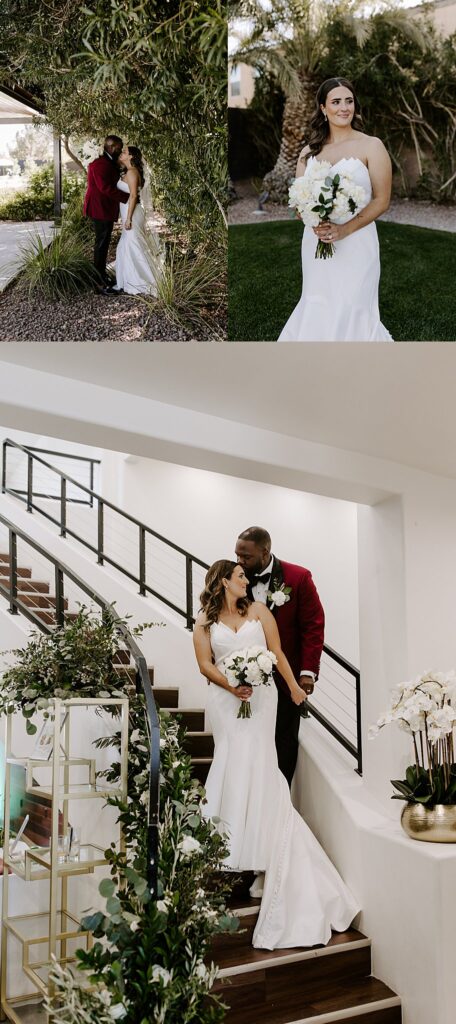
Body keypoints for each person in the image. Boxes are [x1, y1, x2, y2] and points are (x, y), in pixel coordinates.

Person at [193, 560, 359, 950]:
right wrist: (231, 685)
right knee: (231, 762)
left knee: (261, 765)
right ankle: (228, 848)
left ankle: (267, 851)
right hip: (226, 701)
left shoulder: (260, 611)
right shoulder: (203, 622)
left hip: (262, 700)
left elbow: (278, 653)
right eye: (239, 576)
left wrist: (294, 688)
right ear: (222, 581)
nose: (245, 580)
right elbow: (204, 664)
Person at [277, 77, 393, 342]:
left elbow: (382, 200)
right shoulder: (309, 152)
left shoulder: (371, 146)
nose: (344, 108)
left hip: (357, 242)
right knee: (319, 302)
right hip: (316, 239)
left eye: (349, 101)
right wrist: (310, 215)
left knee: (354, 305)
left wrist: (344, 229)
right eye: (336, 102)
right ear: (323, 108)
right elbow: (299, 201)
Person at [235, 526, 324, 786]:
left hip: (286, 679)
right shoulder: (237, 578)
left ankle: (280, 800)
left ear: (265, 552)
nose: (240, 561)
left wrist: (307, 672)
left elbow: (313, 626)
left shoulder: (298, 577)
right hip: (246, 682)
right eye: (237, 555)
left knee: (284, 742)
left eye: (246, 557)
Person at [83, 135, 128, 294]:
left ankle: (101, 275)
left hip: (104, 207)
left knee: (103, 243)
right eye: (119, 147)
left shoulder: (108, 161)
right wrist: (128, 198)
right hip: (99, 208)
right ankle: (98, 283)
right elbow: (105, 188)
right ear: (111, 146)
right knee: (101, 245)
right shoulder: (100, 163)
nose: (121, 150)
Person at [113, 145, 161, 296]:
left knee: (134, 246)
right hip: (129, 212)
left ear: (131, 156)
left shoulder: (132, 172)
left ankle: (144, 282)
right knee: (125, 247)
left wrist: (128, 218)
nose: (122, 153)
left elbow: (133, 195)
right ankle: (129, 281)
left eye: (125, 152)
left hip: (132, 214)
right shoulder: (128, 171)